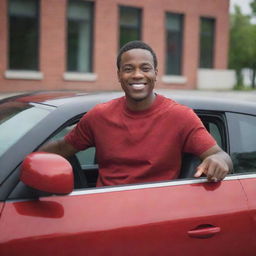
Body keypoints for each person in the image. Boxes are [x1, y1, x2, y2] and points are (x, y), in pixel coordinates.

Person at [39, 40, 233, 186]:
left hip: (157, 216)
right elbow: (62, 148)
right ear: (119, 75)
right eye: (128, 69)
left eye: (145, 68)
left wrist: (217, 160)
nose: (137, 74)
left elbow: (221, 156)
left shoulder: (181, 117)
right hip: (102, 211)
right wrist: (17, 161)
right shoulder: (98, 116)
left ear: (155, 73)